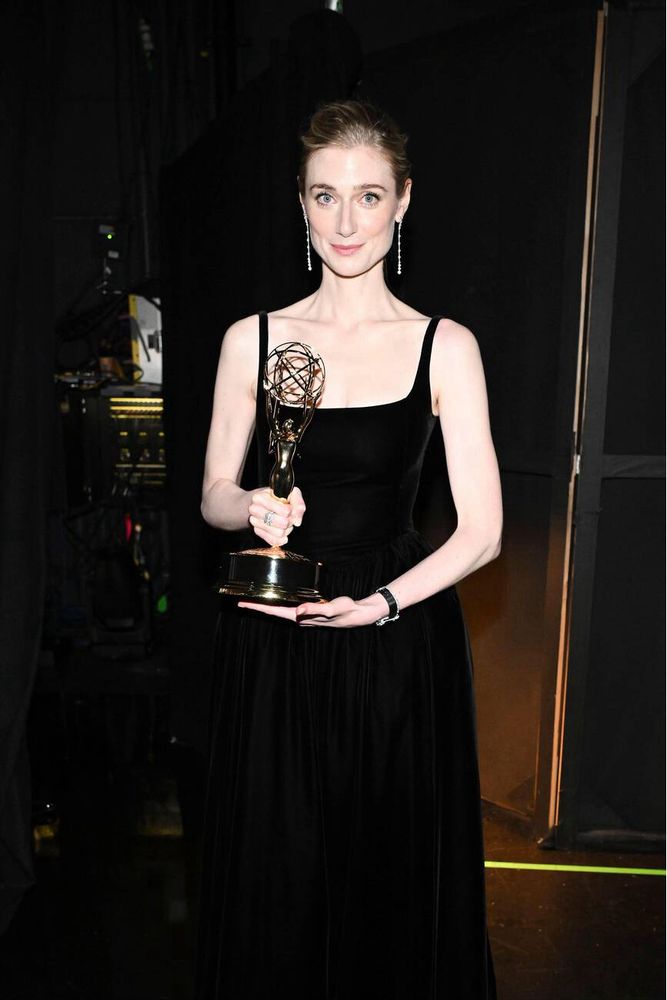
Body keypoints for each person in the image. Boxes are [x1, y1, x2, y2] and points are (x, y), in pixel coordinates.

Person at [196, 100, 502, 999]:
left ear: (402, 202)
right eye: (324, 195)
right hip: (274, 630)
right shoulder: (252, 340)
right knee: (280, 874)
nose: (344, 221)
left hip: (395, 639)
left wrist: (383, 604)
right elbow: (212, 496)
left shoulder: (444, 347)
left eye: (367, 196)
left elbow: (482, 532)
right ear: (299, 203)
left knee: (388, 876)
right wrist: (249, 503)